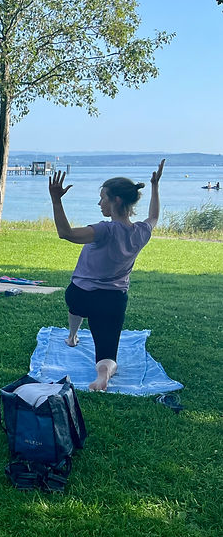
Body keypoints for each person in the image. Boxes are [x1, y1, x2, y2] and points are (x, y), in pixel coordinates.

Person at [48, 160, 165, 392]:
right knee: (107, 355)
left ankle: (72, 337)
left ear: (116, 201)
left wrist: (56, 199)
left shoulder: (104, 230)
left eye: (103, 198)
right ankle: (103, 376)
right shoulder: (141, 232)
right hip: (113, 301)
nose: (99, 202)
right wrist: (155, 186)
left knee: (75, 304)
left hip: (81, 296)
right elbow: (154, 216)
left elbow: (66, 233)